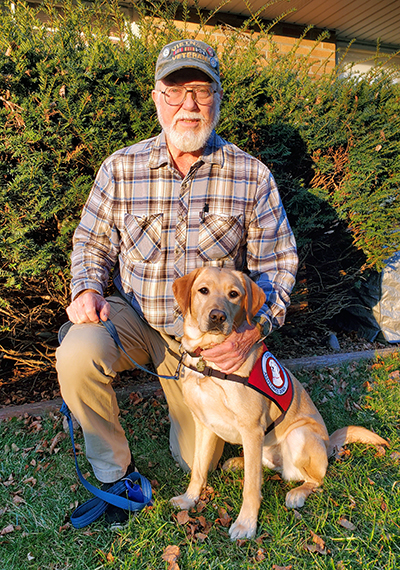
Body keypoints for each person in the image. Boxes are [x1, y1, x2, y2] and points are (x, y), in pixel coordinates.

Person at [56, 38, 298, 526]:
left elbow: (278, 262)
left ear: (218, 98)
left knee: (194, 461)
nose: (188, 103)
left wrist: (258, 326)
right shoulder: (120, 169)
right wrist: (85, 288)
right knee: (76, 352)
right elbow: (91, 245)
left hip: (208, 344)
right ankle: (113, 474)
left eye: (200, 90)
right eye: (175, 89)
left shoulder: (251, 175)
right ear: (156, 98)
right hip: (135, 318)